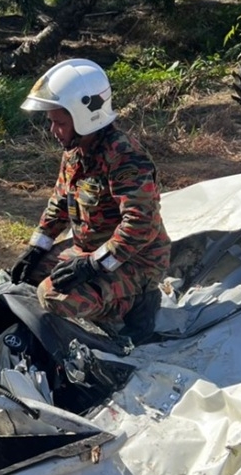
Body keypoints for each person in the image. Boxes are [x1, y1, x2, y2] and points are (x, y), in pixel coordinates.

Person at [9, 58, 171, 337]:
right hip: (90, 251)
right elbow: (59, 202)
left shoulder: (125, 158)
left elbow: (140, 225)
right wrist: (36, 248)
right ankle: (107, 293)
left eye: (59, 123)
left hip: (136, 260)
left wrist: (94, 264)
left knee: (54, 298)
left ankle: (136, 303)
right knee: (30, 276)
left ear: (84, 117)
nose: (53, 131)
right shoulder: (74, 151)